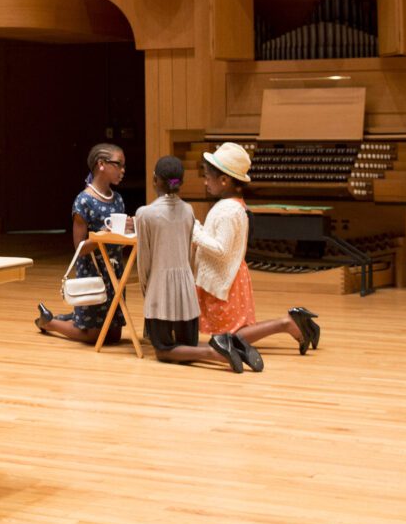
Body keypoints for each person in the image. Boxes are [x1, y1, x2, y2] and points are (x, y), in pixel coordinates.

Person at [134, 156, 261, 373]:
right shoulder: (188, 210)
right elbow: (189, 254)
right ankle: (233, 346)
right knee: (185, 347)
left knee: (163, 351)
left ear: (155, 180)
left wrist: (147, 290)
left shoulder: (144, 214)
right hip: (187, 292)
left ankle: (216, 352)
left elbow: (144, 261)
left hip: (160, 290)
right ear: (180, 182)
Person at [193, 142, 321, 356]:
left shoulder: (229, 210)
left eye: (208, 176)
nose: (205, 181)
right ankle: (294, 322)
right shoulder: (231, 205)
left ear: (224, 180)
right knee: (228, 335)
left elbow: (221, 249)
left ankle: (286, 323)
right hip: (227, 277)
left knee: (231, 338)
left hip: (226, 279)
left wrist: (196, 233)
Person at [34, 143, 130, 344]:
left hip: (115, 270)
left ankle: (71, 317)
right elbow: (79, 248)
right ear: (101, 164)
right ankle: (48, 322)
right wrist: (102, 236)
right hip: (93, 270)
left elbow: (118, 239)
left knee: (113, 335)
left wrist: (129, 230)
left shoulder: (118, 199)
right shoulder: (83, 201)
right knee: (93, 335)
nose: (123, 170)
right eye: (118, 164)